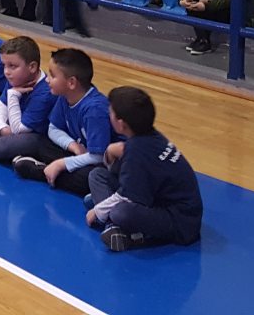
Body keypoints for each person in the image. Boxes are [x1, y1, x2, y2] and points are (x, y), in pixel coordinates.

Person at [85, 86, 203, 252]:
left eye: (110, 112)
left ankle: (116, 228)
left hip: (180, 221)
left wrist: (98, 211)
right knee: (98, 175)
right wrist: (112, 150)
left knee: (120, 212)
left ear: (121, 124)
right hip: (158, 200)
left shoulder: (137, 151)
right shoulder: (149, 137)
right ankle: (114, 224)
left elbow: (127, 198)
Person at [11, 47, 117, 195]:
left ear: (71, 82)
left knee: (89, 178)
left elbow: (98, 156)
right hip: (83, 153)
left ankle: (42, 172)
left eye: (52, 75)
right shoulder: (65, 96)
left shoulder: (94, 110)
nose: (47, 79)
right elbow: (53, 128)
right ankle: (51, 169)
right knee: (42, 142)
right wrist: (73, 146)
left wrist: (61, 164)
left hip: (103, 163)